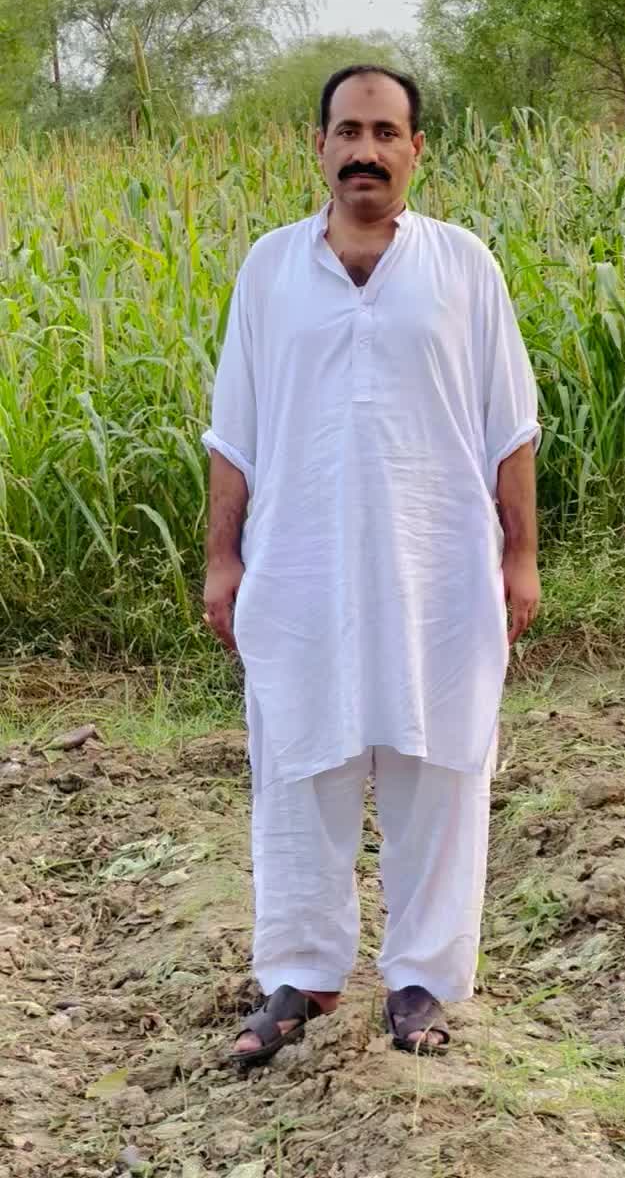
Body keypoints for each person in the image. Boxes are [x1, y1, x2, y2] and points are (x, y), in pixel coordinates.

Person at [202, 65, 541, 1065]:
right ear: (319, 146)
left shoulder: (463, 265)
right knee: (298, 762)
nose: (366, 150)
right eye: (348, 130)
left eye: (386, 132)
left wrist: (521, 554)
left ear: (415, 150)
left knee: (440, 767)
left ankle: (421, 979)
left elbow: (510, 426)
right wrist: (222, 557)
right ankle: (300, 974)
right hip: (301, 565)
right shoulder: (271, 268)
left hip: (439, 567)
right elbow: (234, 431)